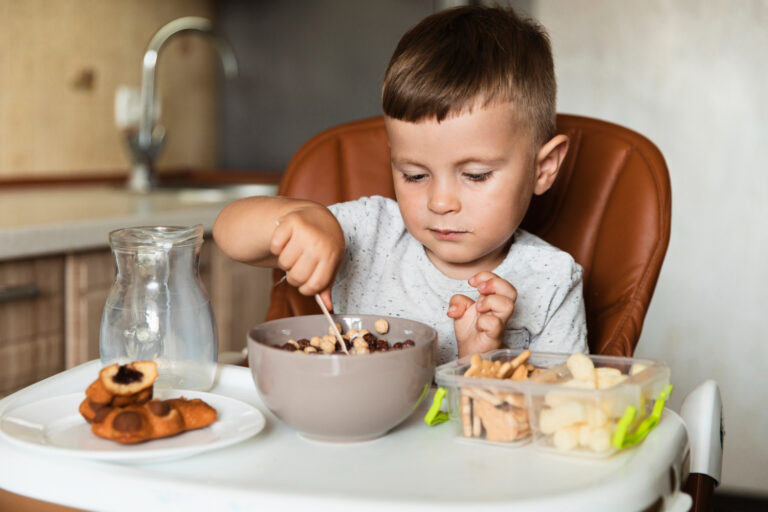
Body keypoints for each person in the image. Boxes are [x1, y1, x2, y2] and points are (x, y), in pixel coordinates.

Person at [214, 5, 588, 364]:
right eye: (414, 175)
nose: (440, 202)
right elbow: (229, 233)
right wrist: (299, 218)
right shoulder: (367, 234)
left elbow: (563, 412)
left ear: (543, 168)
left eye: (475, 175)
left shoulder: (551, 281)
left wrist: (480, 363)